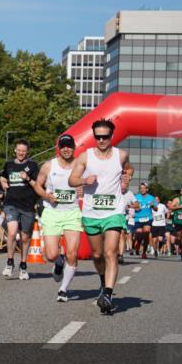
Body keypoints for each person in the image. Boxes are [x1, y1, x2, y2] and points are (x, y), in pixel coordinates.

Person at [68, 119, 133, 315]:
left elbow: (129, 169)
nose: (101, 140)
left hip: (113, 211)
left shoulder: (121, 155)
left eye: (105, 136)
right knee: (97, 255)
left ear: (111, 136)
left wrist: (126, 179)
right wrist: (84, 180)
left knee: (110, 252)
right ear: (94, 136)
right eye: (98, 137)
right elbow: (72, 180)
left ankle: (108, 294)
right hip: (91, 212)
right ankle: (103, 281)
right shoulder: (85, 157)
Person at [31, 134, 81, 302]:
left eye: (69, 146)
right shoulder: (48, 165)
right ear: (59, 148)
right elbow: (37, 185)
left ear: (74, 148)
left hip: (73, 213)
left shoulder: (81, 165)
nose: (66, 149)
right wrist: (46, 195)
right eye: (63, 146)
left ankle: (63, 289)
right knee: (51, 255)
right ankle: (59, 263)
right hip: (52, 212)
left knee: (72, 254)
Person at [0, 139, 39, 280]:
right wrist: (3, 183)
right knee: (11, 231)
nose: (21, 153)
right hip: (11, 204)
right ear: (15, 150)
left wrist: (27, 178)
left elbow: (38, 185)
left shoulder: (33, 165)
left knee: (25, 237)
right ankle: (10, 262)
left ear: (27, 152)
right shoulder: (9, 165)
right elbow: (3, 178)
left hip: (27, 205)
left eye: (24, 150)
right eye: (19, 150)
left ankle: (23, 265)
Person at [133, 183, 155, 257]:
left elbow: (156, 208)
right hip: (138, 218)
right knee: (139, 234)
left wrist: (153, 206)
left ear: (147, 189)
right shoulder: (136, 197)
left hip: (148, 218)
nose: (142, 189)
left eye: (144, 188)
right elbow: (131, 205)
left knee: (146, 233)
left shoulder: (151, 198)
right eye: (141, 188)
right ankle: (138, 244)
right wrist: (135, 207)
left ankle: (144, 252)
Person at [121, 187, 138, 262]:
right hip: (119, 217)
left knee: (129, 235)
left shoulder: (131, 206)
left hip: (129, 221)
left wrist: (130, 209)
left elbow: (137, 207)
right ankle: (122, 250)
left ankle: (129, 249)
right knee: (122, 235)